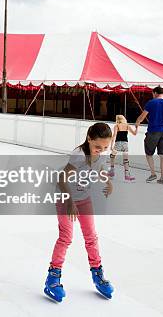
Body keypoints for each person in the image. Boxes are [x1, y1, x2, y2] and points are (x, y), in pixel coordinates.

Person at [44, 122, 115, 302]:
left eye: (105, 147)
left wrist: (107, 181)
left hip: (84, 199)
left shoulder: (100, 153)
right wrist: (69, 202)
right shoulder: (79, 155)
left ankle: (97, 274)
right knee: (66, 237)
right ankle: (53, 278)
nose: (101, 150)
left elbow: (99, 168)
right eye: (98, 146)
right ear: (89, 139)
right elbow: (61, 179)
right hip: (65, 198)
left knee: (91, 236)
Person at [135, 86, 163, 184]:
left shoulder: (151, 103)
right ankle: (162, 178)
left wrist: (137, 123)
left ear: (155, 93)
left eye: (153, 93)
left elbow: (142, 116)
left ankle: (153, 174)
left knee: (149, 153)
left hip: (153, 131)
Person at [109, 114, 137, 181]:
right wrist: (137, 127)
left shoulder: (117, 126)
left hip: (118, 143)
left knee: (112, 156)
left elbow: (114, 135)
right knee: (125, 160)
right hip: (125, 143)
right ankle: (127, 175)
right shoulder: (127, 126)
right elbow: (134, 133)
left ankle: (112, 171)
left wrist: (111, 145)